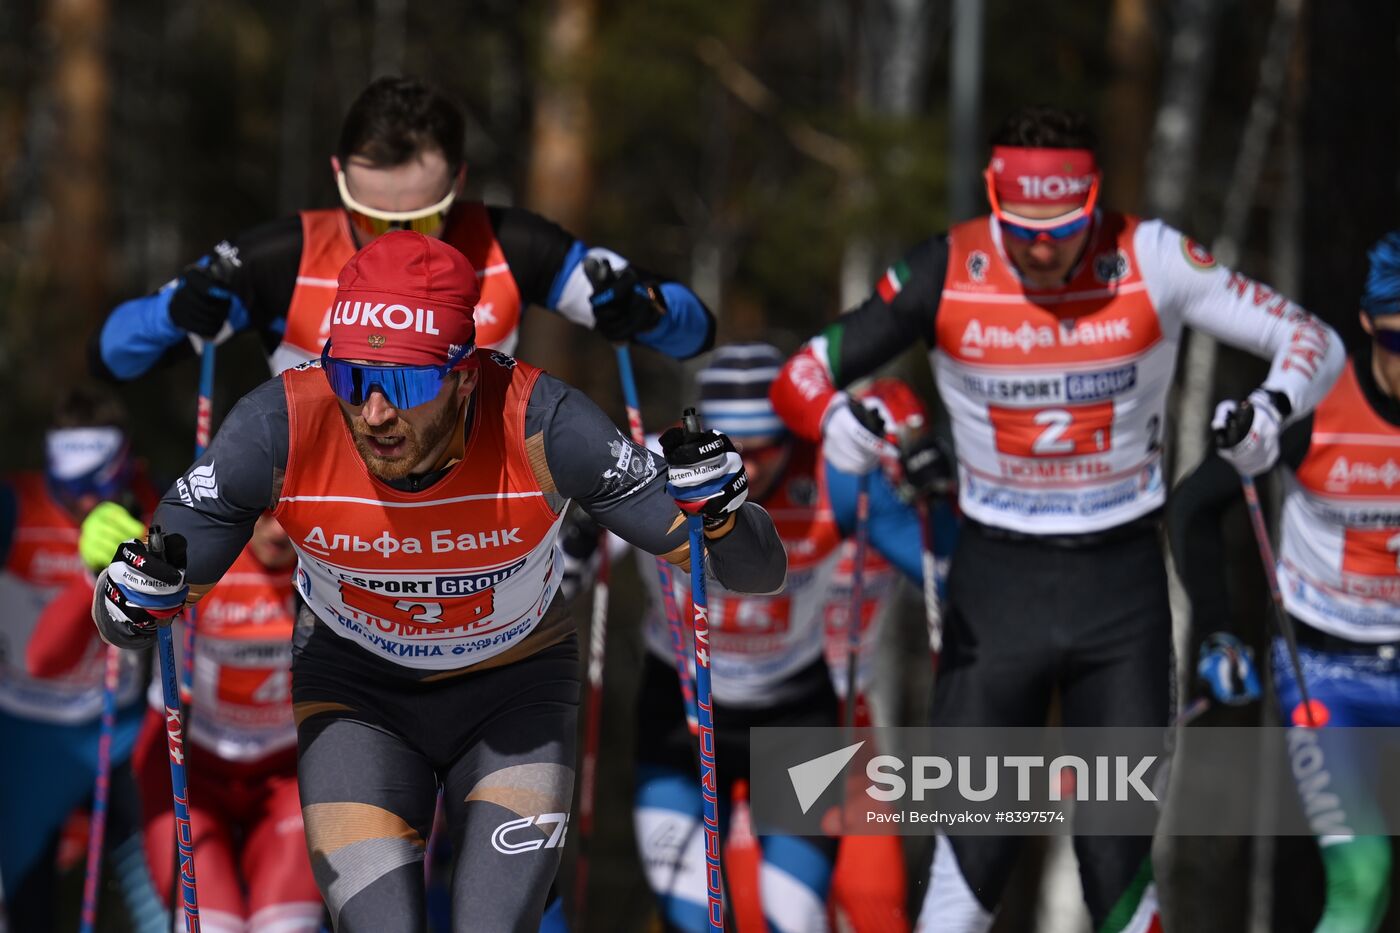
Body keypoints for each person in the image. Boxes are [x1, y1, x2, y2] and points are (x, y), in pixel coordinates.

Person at [90, 231, 784, 932]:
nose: (375, 413)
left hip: (513, 694)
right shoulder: (281, 425)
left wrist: (723, 513)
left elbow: (750, 571)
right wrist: (131, 598)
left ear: (463, 372)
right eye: (352, 377)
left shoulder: (544, 424)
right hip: (358, 697)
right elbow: (136, 608)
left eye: (408, 384)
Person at [767, 106, 1346, 932]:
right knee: (972, 857)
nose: (1041, 248)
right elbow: (798, 376)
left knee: (1115, 858)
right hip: (995, 590)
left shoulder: (1152, 257)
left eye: (1065, 227)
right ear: (992, 198)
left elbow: (1313, 340)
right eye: (1020, 228)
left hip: (1120, 592)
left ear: (1095, 202)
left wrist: (1267, 409)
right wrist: (837, 424)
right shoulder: (947, 266)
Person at [90, 75, 714, 382]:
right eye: (367, 218)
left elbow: (693, 332)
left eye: (419, 218)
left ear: (459, 182)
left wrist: (645, 309)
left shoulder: (510, 244)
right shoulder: (283, 256)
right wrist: (174, 315)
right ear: (337, 175)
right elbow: (114, 355)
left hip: (467, 521)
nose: (393, 240)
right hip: (333, 520)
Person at [615, 344, 926, 932]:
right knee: (691, 920)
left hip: (793, 719)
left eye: (767, 451)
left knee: (796, 917)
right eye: (735, 453)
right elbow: (563, 545)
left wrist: (932, 498)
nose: (750, 471)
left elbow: (935, 561)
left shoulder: (832, 471)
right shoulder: (655, 466)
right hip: (683, 713)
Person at [1171, 231, 1400, 933]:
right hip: (1322, 673)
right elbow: (1192, 506)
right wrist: (1216, 626)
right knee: (1362, 876)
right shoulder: (1318, 403)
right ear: (1369, 324)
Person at [0, 388, 158, 930]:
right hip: (30, 729)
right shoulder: (15, 506)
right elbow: (40, 658)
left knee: (161, 895)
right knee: (28, 901)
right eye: (70, 489)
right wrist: (92, 576)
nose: (87, 504)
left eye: (101, 486)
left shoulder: (148, 505)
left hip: (120, 728)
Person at [118, 512, 320, 933]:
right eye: (264, 512)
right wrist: (109, 570)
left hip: (288, 772)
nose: (279, 530)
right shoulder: (192, 548)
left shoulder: (333, 556)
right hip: (191, 770)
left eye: (288, 509)